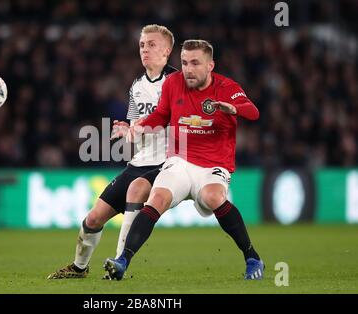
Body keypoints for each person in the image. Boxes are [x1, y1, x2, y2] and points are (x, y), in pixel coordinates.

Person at [104, 39, 265, 281]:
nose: (188, 69)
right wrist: (136, 128)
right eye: (184, 63)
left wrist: (233, 108)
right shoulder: (173, 83)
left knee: (213, 197)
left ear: (211, 65)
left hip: (213, 165)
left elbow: (253, 111)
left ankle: (252, 257)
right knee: (156, 198)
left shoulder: (226, 86)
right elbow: (161, 114)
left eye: (195, 63)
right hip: (180, 161)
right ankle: (122, 261)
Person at [47, 24, 177, 279]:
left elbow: (178, 120)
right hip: (139, 161)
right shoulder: (137, 86)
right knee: (93, 219)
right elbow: (137, 124)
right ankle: (79, 268)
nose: (145, 49)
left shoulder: (178, 83)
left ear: (167, 50)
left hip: (167, 163)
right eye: (142, 45)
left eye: (151, 44)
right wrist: (126, 129)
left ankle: (119, 264)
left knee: (135, 190)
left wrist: (144, 127)